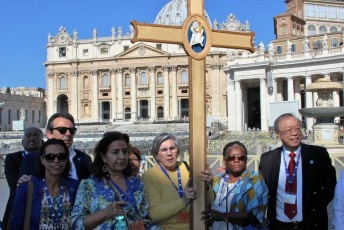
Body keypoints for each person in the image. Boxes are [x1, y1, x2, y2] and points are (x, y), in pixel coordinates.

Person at [259, 113, 336, 229]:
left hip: (311, 223)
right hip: (279, 225)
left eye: (297, 129)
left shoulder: (318, 154)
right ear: (278, 135)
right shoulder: (267, 159)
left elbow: (330, 185)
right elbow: (260, 188)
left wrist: (316, 206)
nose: (294, 133)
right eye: (288, 130)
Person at [71, 131, 159, 229]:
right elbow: (75, 224)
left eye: (125, 151)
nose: (122, 157)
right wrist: (106, 213)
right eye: (115, 152)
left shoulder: (137, 184)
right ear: (103, 156)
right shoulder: (88, 185)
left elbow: (147, 220)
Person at [141, 132, 214, 229]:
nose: (169, 154)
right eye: (164, 150)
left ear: (178, 151)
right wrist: (183, 201)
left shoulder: (191, 167)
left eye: (172, 148)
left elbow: (209, 203)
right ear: (156, 155)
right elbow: (154, 215)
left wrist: (207, 186)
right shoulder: (150, 176)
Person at [10, 139, 79, 229]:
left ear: (66, 159)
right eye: (50, 157)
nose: (56, 160)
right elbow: (16, 223)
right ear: (42, 160)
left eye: (61, 156)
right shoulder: (27, 187)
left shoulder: (75, 186)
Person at [201, 141, 268, 229]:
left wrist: (222, 216)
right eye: (231, 158)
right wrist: (205, 185)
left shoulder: (254, 179)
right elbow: (206, 206)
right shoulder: (216, 181)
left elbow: (254, 216)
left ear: (246, 160)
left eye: (241, 157)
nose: (236, 160)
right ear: (225, 161)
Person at [19, 113, 92, 182]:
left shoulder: (84, 159)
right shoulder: (31, 159)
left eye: (72, 131)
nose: (68, 134)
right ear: (49, 134)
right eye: (62, 130)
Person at [3, 126, 43, 229]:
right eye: (28, 135)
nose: (32, 138)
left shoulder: (48, 159)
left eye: (36, 136)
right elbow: (14, 184)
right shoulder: (12, 158)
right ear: (22, 141)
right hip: (17, 205)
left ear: (42, 141)